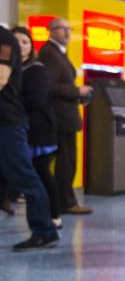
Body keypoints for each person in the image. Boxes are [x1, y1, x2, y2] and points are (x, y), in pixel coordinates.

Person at [0, 25, 59, 250]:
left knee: (25, 177)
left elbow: (1, 79)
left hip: (8, 123)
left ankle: (45, 230)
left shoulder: (4, 39)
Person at [37, 16, 93, 215]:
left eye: (69, 28)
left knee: (65, 161)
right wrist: (76, 91)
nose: (67, 32)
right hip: (60, 118)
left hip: (64, 116)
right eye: (62, 29)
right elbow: (49, 85)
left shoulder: (58, 52)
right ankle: (66, 202)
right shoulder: (50, 54)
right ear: (51, 31)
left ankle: (64, 200)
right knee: (65, 162)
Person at [12, 27, 61, 229]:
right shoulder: (13, 70)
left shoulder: (37, 70)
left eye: (25, 42)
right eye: (17, 42)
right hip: (22, 131)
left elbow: (35, 99)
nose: (21, 46)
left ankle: (53, 215)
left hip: (39, 132)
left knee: (42, 172)